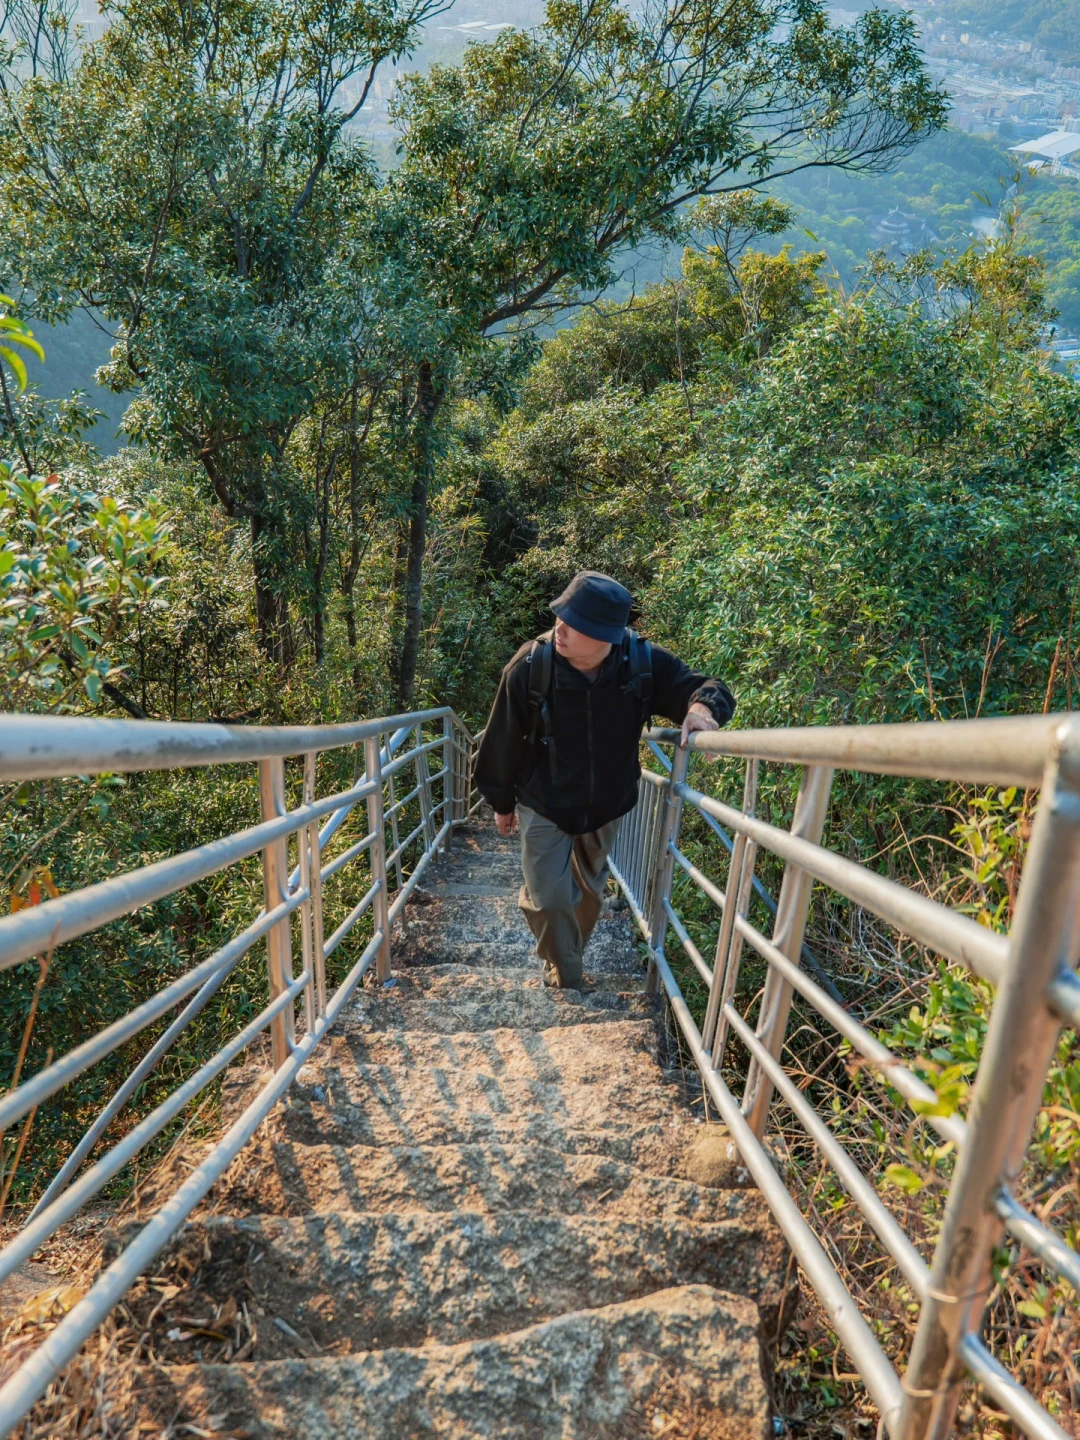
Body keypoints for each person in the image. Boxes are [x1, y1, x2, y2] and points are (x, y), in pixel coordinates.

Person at [473, 571, 735, 991]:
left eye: (576, 624)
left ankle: (566, 958)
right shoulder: (529, 667)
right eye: (561, 616)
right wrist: (501, 801)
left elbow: (708, 686)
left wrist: (702, 710)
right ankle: (568, 978)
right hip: (545, 801)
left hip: (607, 803)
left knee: (589, 896)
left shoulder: (642, 664)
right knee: (550, 899)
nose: (561, 628)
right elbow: (501, 738)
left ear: (608, 636)